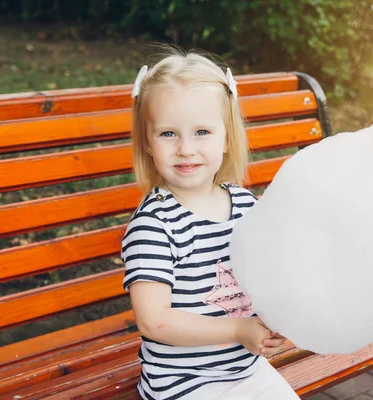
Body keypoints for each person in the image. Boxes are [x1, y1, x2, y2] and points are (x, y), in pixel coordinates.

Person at [121, 50, 300, 400]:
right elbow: (153, 321)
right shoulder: (155, 224)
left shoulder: (246, 205)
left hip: (244, 370)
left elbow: (268, 276)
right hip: (184, 382)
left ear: (227, 136)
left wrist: (272, 320)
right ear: (147, 141)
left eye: (202, 131)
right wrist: (237, 328)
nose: (186, 149)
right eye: (168, 134)